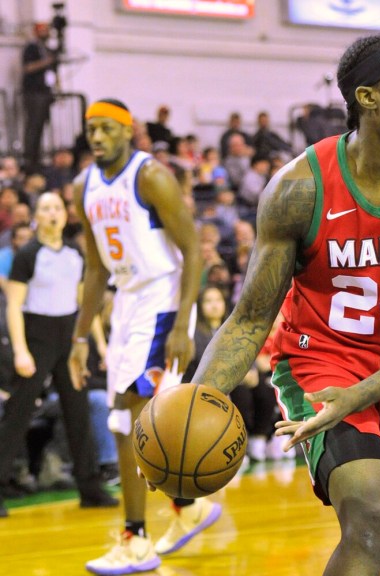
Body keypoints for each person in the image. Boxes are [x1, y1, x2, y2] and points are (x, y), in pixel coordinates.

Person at [184, 34, 380, 575]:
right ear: (369, 97)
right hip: (317, 364)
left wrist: (363, 394)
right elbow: (250, 319)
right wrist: (193, 407)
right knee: (374, 520)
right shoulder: (299, 187)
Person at [67, 99, 219, 575]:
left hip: (163, 300)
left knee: (128, 416)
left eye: (107, 129)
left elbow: (193, 248)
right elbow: (94, 268)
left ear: (128, 132)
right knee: (130, 419)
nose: (97, 137)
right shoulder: (83, 186)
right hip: (127, 302)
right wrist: (78, 339)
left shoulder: (150, 175)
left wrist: (182, 323)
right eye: (91, 129)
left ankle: (136, 540)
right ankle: (187, 506)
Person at [0, 192, 118, 518]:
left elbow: (87, 305)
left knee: (78, 411)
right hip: (36, 337)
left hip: (69, 337)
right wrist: (22, 351)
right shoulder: (28, 255)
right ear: (37, 216)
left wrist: (101, 344)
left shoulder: (74, 253)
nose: (52, 213)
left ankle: (90, 488)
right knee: (17, 414)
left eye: (56, 208)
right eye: (45, 208)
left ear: (65, 216)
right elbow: (13, 306)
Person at [21, 22, 58, 173]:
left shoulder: (48, 49)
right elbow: (27, 67)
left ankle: (39, 156)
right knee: (33, 125)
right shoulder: (31, 48)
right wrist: (45, 62)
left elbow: (54, 72)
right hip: (33, 93)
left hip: (46, 91)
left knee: (42, 124)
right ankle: (30, 157)